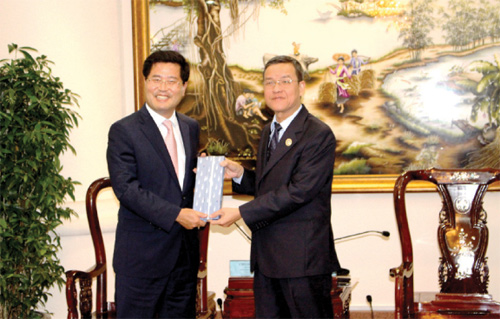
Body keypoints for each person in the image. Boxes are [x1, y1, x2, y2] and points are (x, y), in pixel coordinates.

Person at [210, 55, 342, 318]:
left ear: (301, 87)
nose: (276, 88)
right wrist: (239, 175)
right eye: (269, 82)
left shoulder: (318, 134)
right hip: (267, 259)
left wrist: (241, 213)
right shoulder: (270, 129)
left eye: (285, 81)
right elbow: (271, 183)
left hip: (301, 261)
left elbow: (298, 191)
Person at [106, 50, 207, 318]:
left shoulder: (190, 127)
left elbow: (179, 184)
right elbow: (126, 188)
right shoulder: (124, 130)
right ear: (145, 82)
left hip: (183, 259)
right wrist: (176, 215)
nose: (163, 88)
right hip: (141, 261)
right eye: (156, 79)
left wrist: (208, 173)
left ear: (184, 87)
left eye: (172, 81)